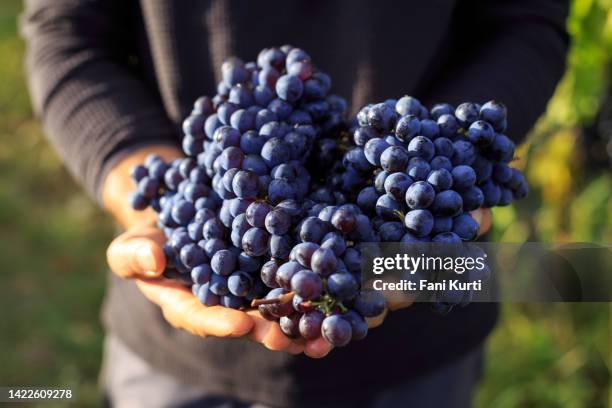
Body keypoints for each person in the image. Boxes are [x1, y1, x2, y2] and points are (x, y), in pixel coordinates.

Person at [21, 1, 569, 407]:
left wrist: (443, 152)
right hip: (175, 346)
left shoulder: (395, 185)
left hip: (418, 330)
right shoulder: (243, 177)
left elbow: (526, 25)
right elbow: (64, 33)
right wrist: (131, 165)